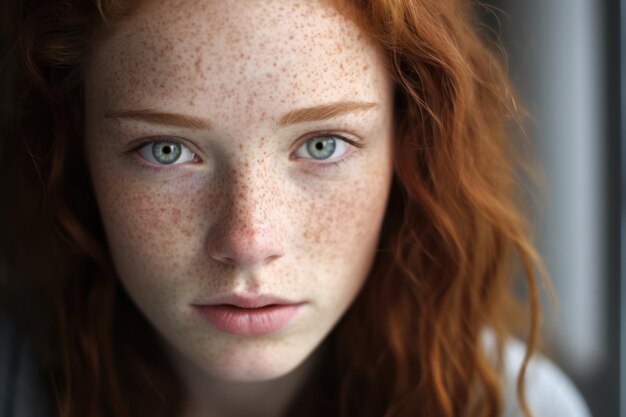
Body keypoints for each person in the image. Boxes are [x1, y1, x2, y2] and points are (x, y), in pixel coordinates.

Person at [0, 0, 593, 416]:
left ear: (408, 145)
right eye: (167, 150)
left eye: (321, 145)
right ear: (76, 150)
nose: (250, 240)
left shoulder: (514, 406)